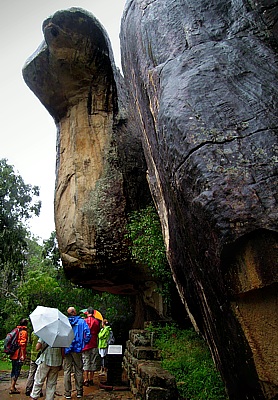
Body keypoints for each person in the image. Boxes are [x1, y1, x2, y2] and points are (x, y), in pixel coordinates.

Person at [64, 307, 91, 399]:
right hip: (77, 348)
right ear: (75, 312)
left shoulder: (65, 322)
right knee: (78, 370)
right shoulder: (82, 322)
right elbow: (88, 334)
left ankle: (67, 393)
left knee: (67, 370)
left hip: (67, 348)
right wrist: (83, 343)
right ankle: (79, 391)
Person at [82, 307, 101, 386]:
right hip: (94, 343)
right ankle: (91, 379)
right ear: (93, 313)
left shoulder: (84, 321)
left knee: (86, 361)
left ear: (87, 313)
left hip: (86, 344)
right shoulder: (97, 322)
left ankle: (85, 379)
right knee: (93, 361)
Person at [9, 318, 28, 394]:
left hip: (13, 353)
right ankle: (12, 387)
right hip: (18, 354)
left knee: (13, 369)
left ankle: (12, 386)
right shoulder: (24, 332)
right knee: (17, 370)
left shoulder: (16, 330)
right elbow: (22, 345)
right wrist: (23, 355)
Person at [25, 331, 43, 397]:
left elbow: (30, 341)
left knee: (31, 373)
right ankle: (38, 391)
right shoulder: (43, 334)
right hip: (39, 356)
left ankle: (28, 389)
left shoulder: (33, 333)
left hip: (33, 355)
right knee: (39, 374)